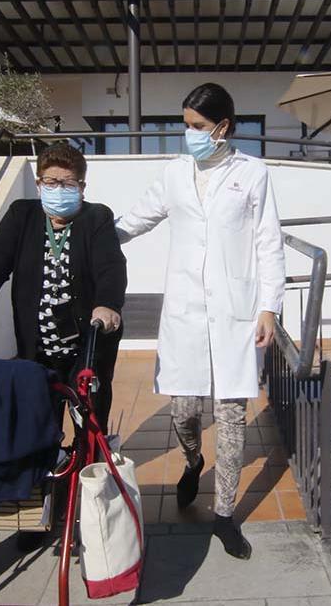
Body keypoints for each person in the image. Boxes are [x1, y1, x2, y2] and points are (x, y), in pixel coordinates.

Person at [115, 83, 286, 560]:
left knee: (231, 416)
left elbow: (268, 242)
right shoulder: (174, 174)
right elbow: (136, 219)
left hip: (236, 313)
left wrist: (269, 306)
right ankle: (193, 461)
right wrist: (93, 238)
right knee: (184, 410)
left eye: (196, 127)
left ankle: (225, 516)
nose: (187, 134)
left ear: (222, 128)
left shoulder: (253, 173)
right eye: (185, 124)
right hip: (187, 313)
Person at [0, 143, 126, 435]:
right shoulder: (21, 215)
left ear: (82, 186)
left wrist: (107, 303)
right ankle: (48, 477)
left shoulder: (96, 217)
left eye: (67, 183)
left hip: (88, 346)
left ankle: (87, 474)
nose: (58, 188)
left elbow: (111, 265)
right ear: (39, 184)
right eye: (51, 182)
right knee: (39, 426)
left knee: (89, 424)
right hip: (37, 347)